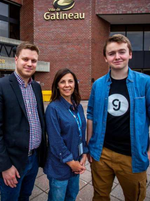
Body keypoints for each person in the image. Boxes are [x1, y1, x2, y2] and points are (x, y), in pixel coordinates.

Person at [87, 34, 150, 201]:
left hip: (132, 156)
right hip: (102, 154)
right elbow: (90, 115)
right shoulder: (98, 85)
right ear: (105, 58)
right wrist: (90, 145)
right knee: (100, 196)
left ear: (130, 54)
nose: (117, 57)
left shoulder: (146, 83)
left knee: (135, 198)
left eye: (122, 52)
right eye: (112, 53)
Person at [0, 42, 47, 201]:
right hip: (12, 162)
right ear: (16, 59)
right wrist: (5, 166)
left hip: (33, 160)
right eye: (25, 59)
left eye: (33, 61)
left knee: (25, 196)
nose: (29, 63)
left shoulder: (36, 88)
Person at [44, 68, 88, 201]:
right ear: (57, 85)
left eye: (70, 81)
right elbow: (55, 141)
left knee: (71, 196)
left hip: (76, 162)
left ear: (75, 84)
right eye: (62, 82)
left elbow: (81, 133)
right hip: (61, 166)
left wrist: (84, 153)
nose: (67, 85)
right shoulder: (53, 108)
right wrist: (71, 163)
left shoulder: (78, 106)